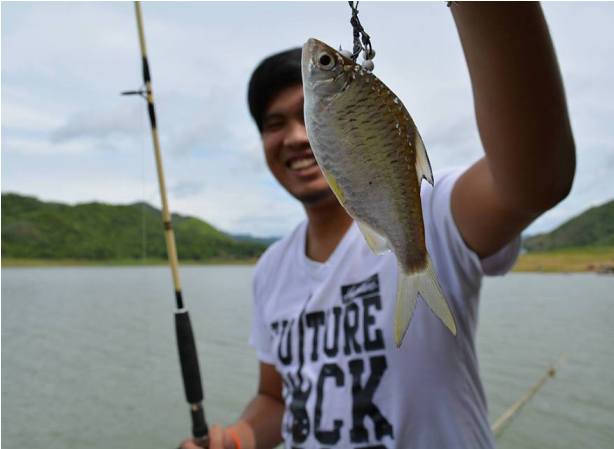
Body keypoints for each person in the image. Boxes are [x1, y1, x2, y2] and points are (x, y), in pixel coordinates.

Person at [182, 3, 575, 449]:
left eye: (301, 113)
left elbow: (535, 179)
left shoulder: (434, 213)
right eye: (275, 124)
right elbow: (278, 396)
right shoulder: (271, 268)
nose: (294, 136)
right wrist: (236, 439)